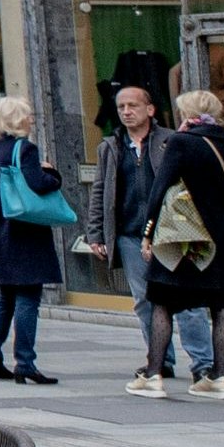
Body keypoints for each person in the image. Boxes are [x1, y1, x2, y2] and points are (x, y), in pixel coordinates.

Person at [93, 85, 216, 395]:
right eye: (121, 107)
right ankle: (160, 361)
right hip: (129, 234)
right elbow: (100, 190)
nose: (126, 112)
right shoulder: (111, 146)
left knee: (188, 300)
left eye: (132, 105)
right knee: (145, 300)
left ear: (150, 110)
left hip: (171, 233)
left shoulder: (171, 141)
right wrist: (96, 233)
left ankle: (202, 363)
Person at [144, 88, 224, 401]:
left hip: (184, 237)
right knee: (222, 305)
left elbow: (159, 188)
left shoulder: (181, 141)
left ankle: (153, 376)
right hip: (220, 235)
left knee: (162, 302)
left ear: (187, 112)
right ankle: (218, 378)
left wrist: (148, 231)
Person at [0, 94, 64, 385]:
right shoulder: (24, 149)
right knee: (28, 298)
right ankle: (25, 363)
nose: (31, 119)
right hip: (24, 233)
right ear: (15, 119)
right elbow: (39, 184)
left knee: (5, 298)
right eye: (27, 114)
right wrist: (52, 173)